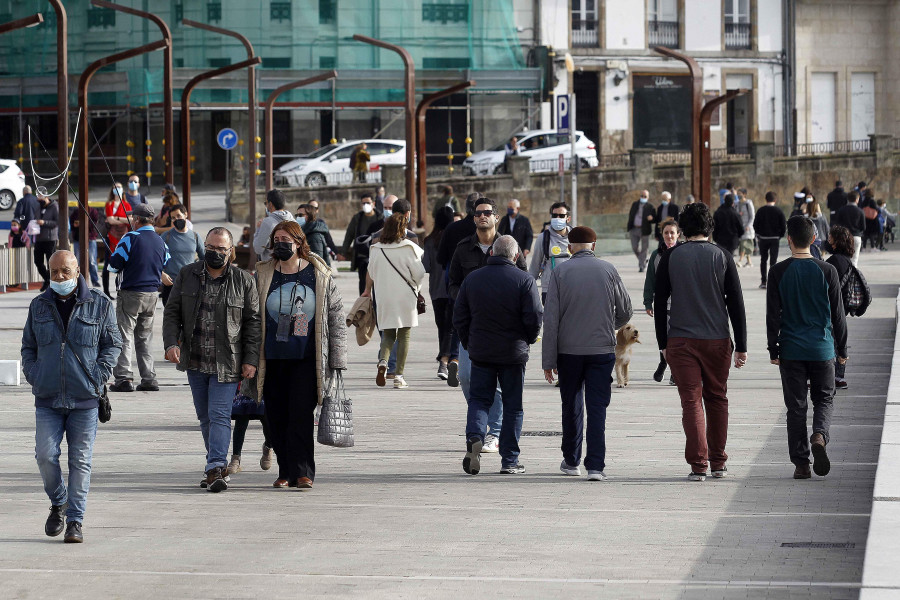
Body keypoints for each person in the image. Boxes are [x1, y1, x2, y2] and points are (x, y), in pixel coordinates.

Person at [22, 250, 122, 543]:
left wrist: (99, 374)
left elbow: (113, 344)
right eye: (54, 272)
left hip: (85, 399)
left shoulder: (100, 304)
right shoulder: (38, 306)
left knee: (80, 461)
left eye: (65, 271)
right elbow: (28, 347)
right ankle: (58, 502)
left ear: (78, 270)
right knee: (45, 456)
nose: (60, 277)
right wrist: (35, 373)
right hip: (48, 398)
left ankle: (75, 520)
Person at [248, 220, 347, 489]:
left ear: (299, 243)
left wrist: (338, 359)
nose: (280, 244)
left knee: (301, 415)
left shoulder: (318, 274)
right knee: (276, 416)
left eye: (285, 240)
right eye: (276, 239)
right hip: (271, 357)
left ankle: (303, 472)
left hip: (306, 357)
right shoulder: (263, 274)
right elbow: (251, 315)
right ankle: (285, 470)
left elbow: (336, 318)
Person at [654, 203, 747, 482]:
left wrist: (663, 343)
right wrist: (741, 345)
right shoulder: (723, 256)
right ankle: (718, 461)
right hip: (717, 338)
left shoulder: (670, 257)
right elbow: (737, 304)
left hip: (681, 340)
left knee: (691, 400)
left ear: (682, 229)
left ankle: (698, 465)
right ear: (710, 228)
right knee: (717, 397)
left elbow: (660, 303)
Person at [163, 227, 260, 491]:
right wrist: (171, 343)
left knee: (219, 415)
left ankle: (216, 466)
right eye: (211, 247)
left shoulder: (244, 280)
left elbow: (253, 323)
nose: (215, 253)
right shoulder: (187, 274)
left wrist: (251, 359)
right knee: (205, 417)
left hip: (228, 361)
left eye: (221, 249)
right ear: (203, 246)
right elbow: (172, 313)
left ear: (231, 252)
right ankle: (215, 465)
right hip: (194, 359)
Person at [542, 227, 631, 481]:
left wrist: (548, 360)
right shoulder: (609, 270)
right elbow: (625, 311)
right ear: (594, 245)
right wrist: (607, 323)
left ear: (570, 247)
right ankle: (596, 466)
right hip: (601, 350)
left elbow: (551, 320)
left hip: (568, 351)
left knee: (571, 405)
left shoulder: (560, 272)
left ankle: (571, 461)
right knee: (597, 408)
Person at [766, 216, 848, 479]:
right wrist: (842, 349)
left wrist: (773, 349)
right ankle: (820, 436)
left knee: (796, 407)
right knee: (824, 399)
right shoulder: (828, 271)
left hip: (791, 350)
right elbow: (838, 316)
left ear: (788, 239)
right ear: (814, 239)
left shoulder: (777, 272)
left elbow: (772, 316)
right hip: (822, 349)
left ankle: (801, 464)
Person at [454, 235, 542, 475]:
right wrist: (529, 338)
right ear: (515, 256)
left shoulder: (473, 279)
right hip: (513, 354)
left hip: (481, 351)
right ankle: (510, 461)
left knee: (479, 399)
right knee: (513, 406)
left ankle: (475, 437)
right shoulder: (524, 280)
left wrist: (468, 342)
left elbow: (459, 316)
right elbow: (534, 316)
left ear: (491, 253)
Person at [449, 198, 527, 453]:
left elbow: (524, 281)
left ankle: (492, 432)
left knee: (495, 383)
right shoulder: (463, 249)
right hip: (473, 326)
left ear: (496, 217)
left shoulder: (509, 246)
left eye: (487, 213)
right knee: (466, 376)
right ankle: (479, 422)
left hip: (505, 329)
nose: (482, 217)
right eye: (478, 213)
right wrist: (466, 299)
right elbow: (452, 283)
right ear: (473, 218)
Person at [107, 203, 169, 393]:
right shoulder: (160, 241)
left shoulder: (130, 238)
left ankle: (124, 378)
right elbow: (165, 260)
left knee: (124, 336)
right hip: (152, 295)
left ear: (136, 220)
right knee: (145, 338)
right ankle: (149, 378)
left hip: (131, 293)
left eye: (132, 219)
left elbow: (113, 266)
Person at [365, 213, 426, 390]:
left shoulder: (376, 248)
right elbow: (420, 273)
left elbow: (372, 272)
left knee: (388, 333)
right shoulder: (408, 247)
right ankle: (399, 376)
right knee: (404, 334)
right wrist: (416, 286)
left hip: (384, 296)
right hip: (405, 296)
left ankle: (383, 361)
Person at [436, 191, 481, 386]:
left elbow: (440, 258)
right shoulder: (486, 229)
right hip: (483, 285)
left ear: (465, 208)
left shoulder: (452, 229)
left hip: (456, 284)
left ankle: (453, 359)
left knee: (455, 324)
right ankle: (468, 363)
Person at [643, 219, 679, 383]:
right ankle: (663, 362)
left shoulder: (683, 253)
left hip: (680, 303)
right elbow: (650, 279)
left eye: (672, 232)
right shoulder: (656, 255)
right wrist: (648, 301)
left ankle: (674, 371)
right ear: (662, 235)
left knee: (676, 337)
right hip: (661, 303)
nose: (669, 236)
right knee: (663, 336)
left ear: (678, 234)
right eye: (666, 233)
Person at [422, 206, 456, 380]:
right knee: (450, 326)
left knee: (442, 325)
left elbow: (426, 266)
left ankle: (444, 356)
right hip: (451, 287)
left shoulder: (429, 240)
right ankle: (446, 358)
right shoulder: (455, 239)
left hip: (435, 288)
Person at [825, 225, 856, 390]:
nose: (828, 240)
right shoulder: (846, 260)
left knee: (831, 340)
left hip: (831, 305)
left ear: (835, 241)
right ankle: (839, 376)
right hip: (842, 305)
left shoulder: (833, 262)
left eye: (830, 237)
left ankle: (832, 375)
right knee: (838, 337)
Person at [159, 203, 204, 307]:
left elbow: (204, 258)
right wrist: (161, 274)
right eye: (173, 218)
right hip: (171, 285)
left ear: (186, 215)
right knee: (171, 320)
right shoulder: (166, 236)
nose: (176, 219)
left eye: (179, 216)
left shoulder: (195, 236)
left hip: (190, 285)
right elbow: (154, 258)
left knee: (189, 319)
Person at [529, 202, 573, 302]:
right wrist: (528, 287)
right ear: (551, 217)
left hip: (572, 287)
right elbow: (535, 265)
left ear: (568, 218)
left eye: (561, 216)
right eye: (554, 215)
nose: (558, 218)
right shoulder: (543, 238)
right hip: (549, 288)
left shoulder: (575, 237)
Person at [341, 194, 382, 295]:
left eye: (368, 203)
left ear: (373, 204)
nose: (365, 205)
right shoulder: (357, 218)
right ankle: (363, 306)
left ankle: (376, 308)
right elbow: (349, 235)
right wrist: (343, 252)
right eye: (363, 203)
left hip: (377, 256)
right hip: (362, 257)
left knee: (378, 285)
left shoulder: (380, 218)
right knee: (363, 285)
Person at [103, 183, 132, 298]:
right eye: (115, 187)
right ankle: (106, 291)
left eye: (119, 187)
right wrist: (123, 220)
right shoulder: (109, 204)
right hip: (111, 237)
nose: (117, 189)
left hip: (123, 237)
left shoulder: (126, 204)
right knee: (107, 264)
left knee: (123, 264)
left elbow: (130, 220)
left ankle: (120, 289)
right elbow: (110, 220)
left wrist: (118, 218)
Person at [753, 191, 787, 289]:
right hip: (775, 239)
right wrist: (780, 235)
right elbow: (783, 226)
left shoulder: (761, 211)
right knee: (773, 261)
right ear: (775, 200)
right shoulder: (779, 211)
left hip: (763, 238)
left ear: (765, 199)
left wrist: (759, 234)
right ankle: (772, 282)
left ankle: (763, 281)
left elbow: (755, 225)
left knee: (763, 260)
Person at [253, 189, 295, 262]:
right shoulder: (293, 221)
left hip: (272, 266)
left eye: (266, 203)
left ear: (270, 204)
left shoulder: (268, 222)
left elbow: (258, 249)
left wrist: (258, 229)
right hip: (291, 265)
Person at [33, 187, 60, 292]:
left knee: (51, 262)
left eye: (40, 198)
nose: (39, 201)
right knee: (37, 261)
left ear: (46, 196)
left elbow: (57, 222)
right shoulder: (38, 207)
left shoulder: (54, 206)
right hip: (39, 238)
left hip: (50, 238)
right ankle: (47, 279)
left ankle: (51, 282)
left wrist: (44, 223)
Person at [69, 205, 102, 287]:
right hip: (78, 238)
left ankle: (95, 280)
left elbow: (95, 224)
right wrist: (75, 225)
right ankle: (77, 280)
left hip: (90, 238)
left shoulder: (93, 211)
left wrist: (83, 222)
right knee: (77, 261)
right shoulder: (75, 212)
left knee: (92, 260)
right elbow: (71, 224)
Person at [832, 191, 865, 266]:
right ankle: (853, 275)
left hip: (843, 236)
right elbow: (863, 227)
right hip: (856, 236)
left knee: (844, 259)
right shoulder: (860, 211)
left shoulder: (841, 210)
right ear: (857, 199)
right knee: (854, 260)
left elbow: (837, 224)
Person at [625, 190, 655, 272]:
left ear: (648, 197)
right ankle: (642, 260)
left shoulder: (650, 206)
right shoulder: (635, 204)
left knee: (644, 248)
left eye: (645, 196)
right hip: (634, 228)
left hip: (645, 229)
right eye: (642, 196)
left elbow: (654, 218)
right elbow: (631, 214)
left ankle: (642, 266)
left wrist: (651, 218)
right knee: (634, 247)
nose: (643, 197)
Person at [736, 191, 755, 268]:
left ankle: (740, 261)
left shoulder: (748, 203)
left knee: (744, 244)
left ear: (744, 194)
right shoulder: (737, 204)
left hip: (747, 228)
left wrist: (749, 225)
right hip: (740, 228)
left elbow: (752, 216)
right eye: (738, 194)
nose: (738, 195)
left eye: (740, 193)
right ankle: (749, 262)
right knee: (743, 245)